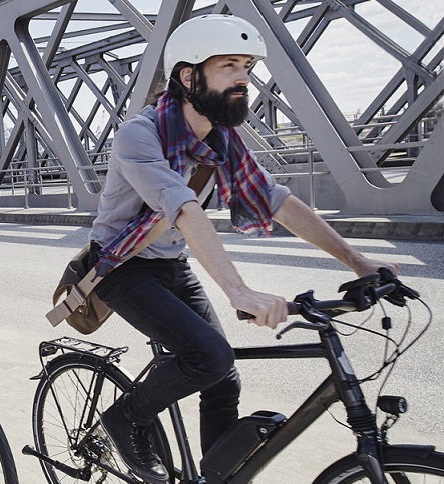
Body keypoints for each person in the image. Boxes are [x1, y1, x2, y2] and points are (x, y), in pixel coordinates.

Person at [88, 14, 399, 484]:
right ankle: (124, 418)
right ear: (188, 76)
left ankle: (217, 476)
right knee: (209, 356)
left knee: (222, 376)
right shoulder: (140, 134)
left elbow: (277, 201)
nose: (243, 78)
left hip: (169, 262)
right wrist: (238, 290)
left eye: (248, 67)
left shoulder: (221, 139)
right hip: (120, 267)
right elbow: (185, 209)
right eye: (229, 65)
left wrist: (360, 262)